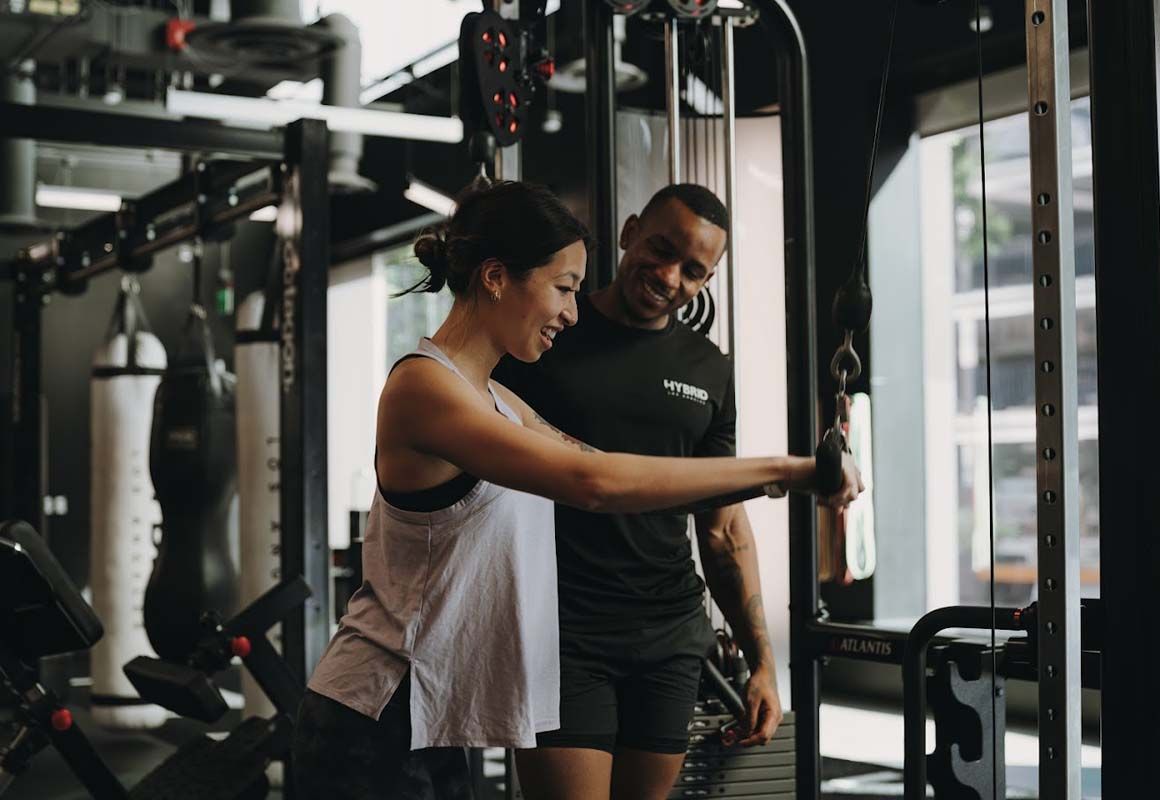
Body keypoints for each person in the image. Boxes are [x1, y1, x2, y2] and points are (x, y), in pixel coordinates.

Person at [290, 181, 862, 800]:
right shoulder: (426, 390)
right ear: (495, 278)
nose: (570, 311)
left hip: (431, 711)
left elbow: (616, 469)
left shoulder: (496, 398)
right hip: (372, 710)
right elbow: (595, 484)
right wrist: (791, 471)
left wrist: (759, 498)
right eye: (563, 288)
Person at [494, 183, 802, 800]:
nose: (667, 276)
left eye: (693, 271)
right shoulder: (548, 335)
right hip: (562, 632)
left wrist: (764, 662)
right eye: (660, 249)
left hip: (668, 635)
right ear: (630, 230)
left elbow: (723, 529)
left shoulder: (709, 370)